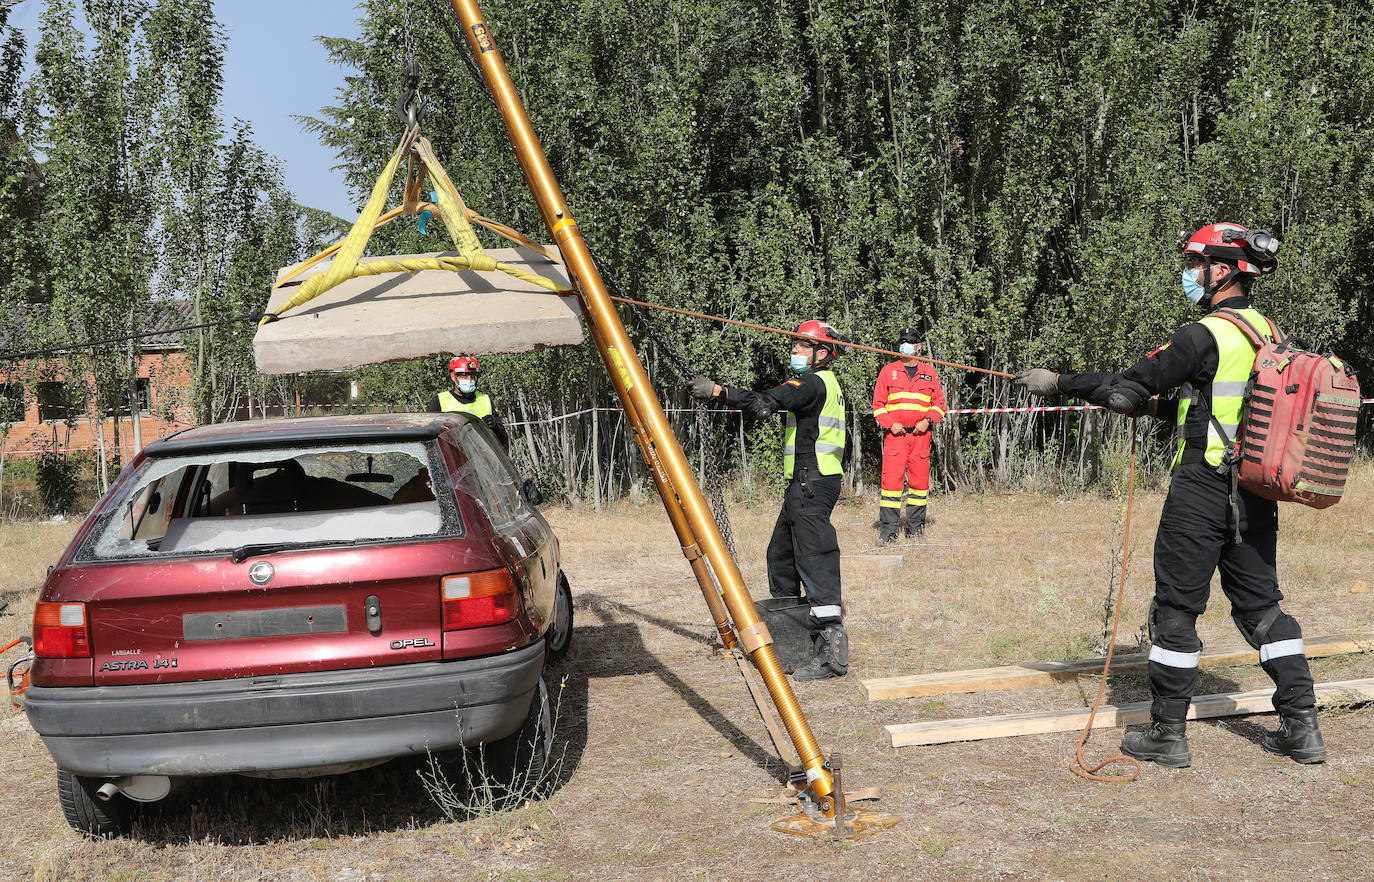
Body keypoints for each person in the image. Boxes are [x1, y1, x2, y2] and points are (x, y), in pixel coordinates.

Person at [1015, 222, 1323, 768]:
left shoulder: (1204, 332)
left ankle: (1166, 734)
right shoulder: (1266, 332)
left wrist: (1060, 383)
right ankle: (1303, 729)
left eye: (1193, 263)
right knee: (1264, 612)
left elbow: (1139, 379)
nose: (1186, 274)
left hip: (1201, 492)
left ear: (1221, 270)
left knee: (1176, 611)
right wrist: (1140, 400)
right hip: (1253, 493)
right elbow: (1202, 406)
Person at [690, 320, 849, 681]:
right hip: (805, 483)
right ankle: (793, 632)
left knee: (815, 558)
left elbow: (769, 399)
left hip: (813, 482)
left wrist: (718, 391)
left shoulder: (812, 382)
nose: (793, 351)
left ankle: (830, 653)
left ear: (821, 354)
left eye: (801, 346)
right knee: (781, 556)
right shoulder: (827, 384)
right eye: (793, 344)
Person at [872, 327, 946, 542]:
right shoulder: (888, 371)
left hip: (921, 438)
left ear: (918, 346)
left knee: (919, 487)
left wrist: (928, 420)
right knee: (891, 487)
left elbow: (940, 404)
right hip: (895, 437)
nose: (904, 344)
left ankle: (915, 531)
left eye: (909, 341)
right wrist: (889, 424)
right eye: (902, 340)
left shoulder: (929, 372)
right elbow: (878, 405)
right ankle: (888, 533)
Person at [428, 355, 510, 450]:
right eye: (464, 375)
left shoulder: (485, 399)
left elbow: (503, 440)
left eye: (473, 376)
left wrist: (494, 427)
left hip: (483, 459)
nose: (469, 380)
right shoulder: (440, 400)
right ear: (453, 376)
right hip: (454, 460)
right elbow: (430, 438)